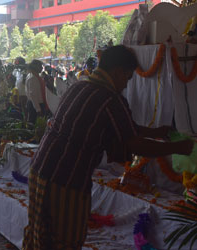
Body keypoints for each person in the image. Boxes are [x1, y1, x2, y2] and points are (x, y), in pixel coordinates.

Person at [22, 45, 194, 250]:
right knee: (63, 242)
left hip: (41, 170)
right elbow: (133, 143)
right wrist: (176, 148)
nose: (125, 85)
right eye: (127, 78)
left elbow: (123, 128)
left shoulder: (80, 87)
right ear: (118, 72)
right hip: (65, 180)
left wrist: (157, 133)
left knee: (38, 237)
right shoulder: (109, 98)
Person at [25, 60, 49, 124]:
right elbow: (33, 95)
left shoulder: (34, 76)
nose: (42, 68)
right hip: (35, 105)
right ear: (36, 67)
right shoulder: (32, 78)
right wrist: (38, 109)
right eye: (40, 66)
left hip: (36, 104)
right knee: (34, 123)